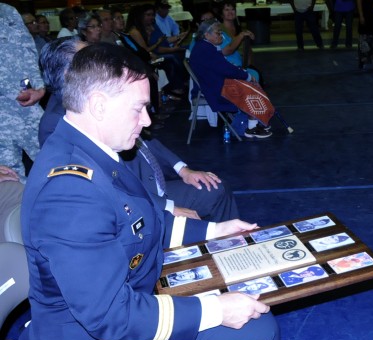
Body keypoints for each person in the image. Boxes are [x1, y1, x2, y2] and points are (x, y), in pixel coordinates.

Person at [20, 43, 279, 340]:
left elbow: (142, 222)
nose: (147, 119)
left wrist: (216, 232)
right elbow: (109, 317)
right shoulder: (70, 192)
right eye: (138, 107)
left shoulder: (92, 151)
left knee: (231, 280)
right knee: (254, 337)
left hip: (104, 321)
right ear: (100, 104)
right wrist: (214, 310)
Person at [38, 37, 239, 222]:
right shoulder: (62, 123)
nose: (147, 120)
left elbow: (144, 141)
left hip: (151, 184)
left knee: (216, 188)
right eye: (89, 58)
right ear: (68, 73)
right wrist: (168, 207)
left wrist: (182, 169)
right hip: (139, 202)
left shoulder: (91, 103)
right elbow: (111, 189)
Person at [189, 20, 272, 139]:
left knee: (248, 84)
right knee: (249, 88)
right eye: (218, 33)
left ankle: (256, 120)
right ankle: (252, 128)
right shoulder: (205, 49)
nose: (221, 36)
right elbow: (224, 69)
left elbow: (222, 67)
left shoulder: (205, 46)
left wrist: (240, 72)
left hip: (213, 83)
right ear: (207, 35)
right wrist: (246, 76)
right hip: (214, 89)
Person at [0, 3, 44, 180]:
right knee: (10, 179)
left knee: (57, 163)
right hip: (3, 114)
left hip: (27, 107)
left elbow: (28, 52)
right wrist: (12, 92)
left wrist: (39, 87)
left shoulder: (8, 12)